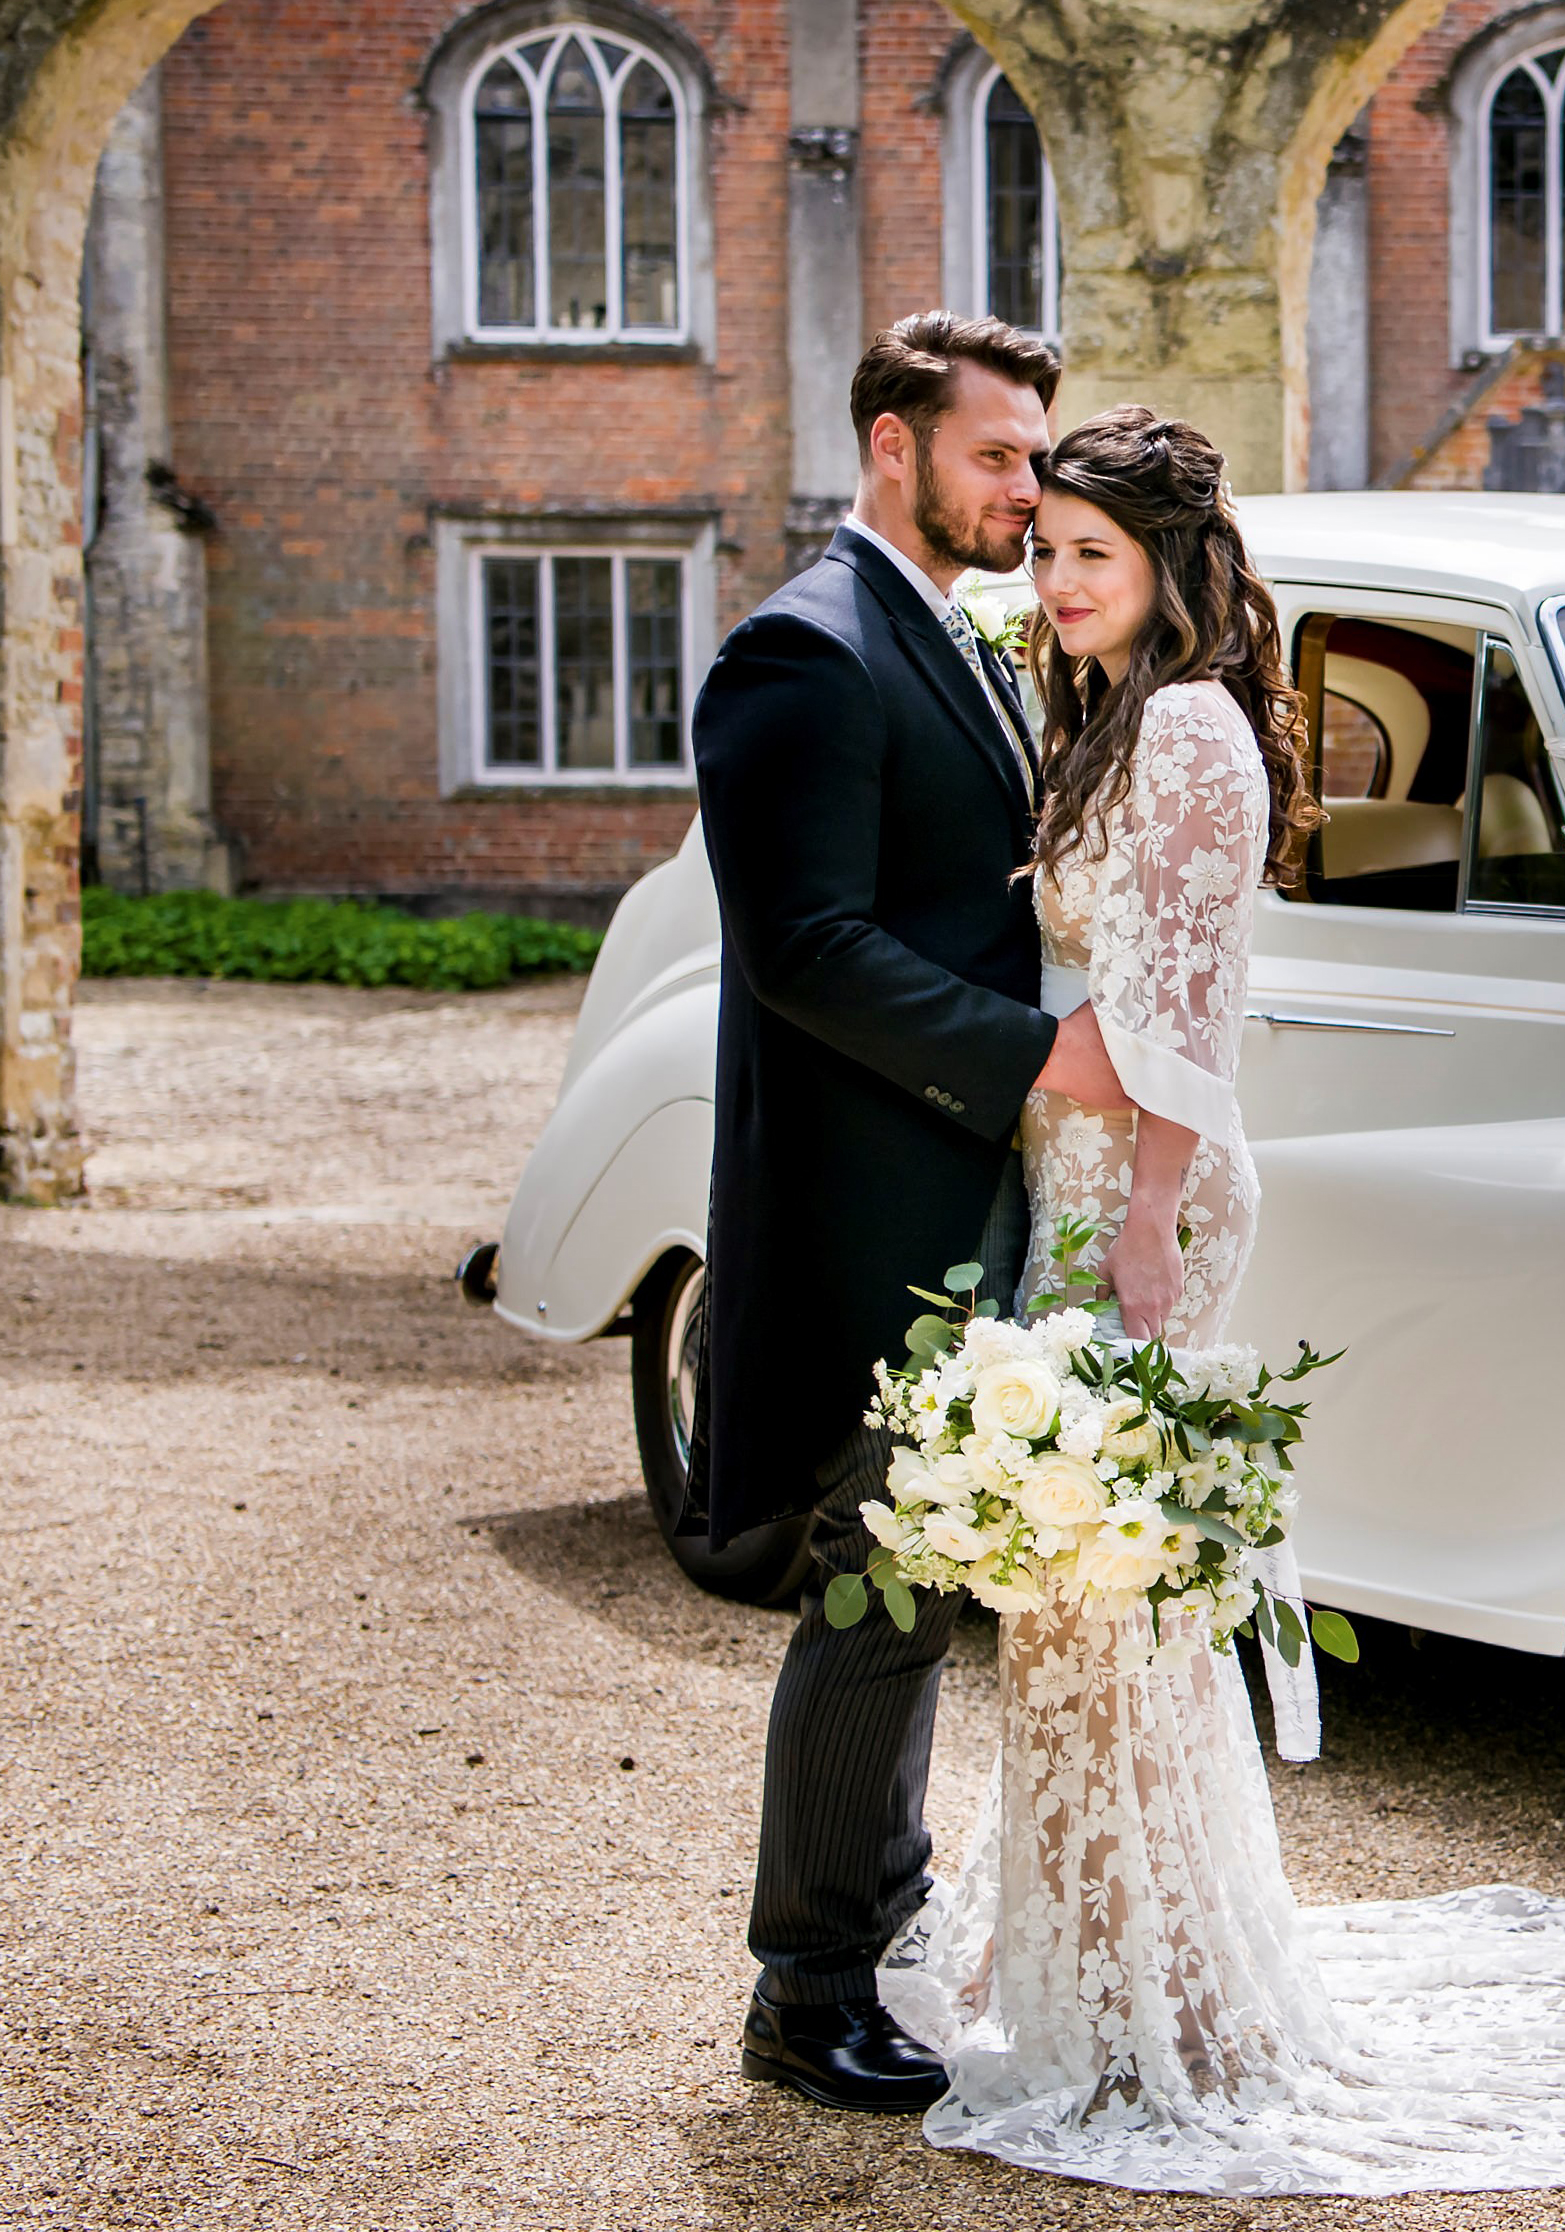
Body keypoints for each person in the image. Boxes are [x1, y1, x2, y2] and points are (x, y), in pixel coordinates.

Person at [869, 405, 1565, 2197]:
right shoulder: (1111, 709)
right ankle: (1103, 1965)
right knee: (1085, 1604)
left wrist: (1148, 1226)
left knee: (1108, 1592)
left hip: (1141, 1185)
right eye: (1048, 550)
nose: (1054, 578)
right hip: (1080, 1167)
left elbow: (1181, 1006)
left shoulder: (1184, 727)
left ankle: (1155, 1998)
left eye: (1091, 554)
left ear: (1169, 562)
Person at [692, 311, 1133, 2114]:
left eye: (1034, 456)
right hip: (878, 1207)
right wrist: (1040, 1061)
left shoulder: (951, 626)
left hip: (972, 1199)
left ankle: (876, 1922)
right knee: (873, 1601)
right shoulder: (798, 655)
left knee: (921, 1592)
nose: (1026, 490)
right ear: (894, 446)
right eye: (999, 456)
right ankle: (802, 1992)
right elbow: (804, 949)